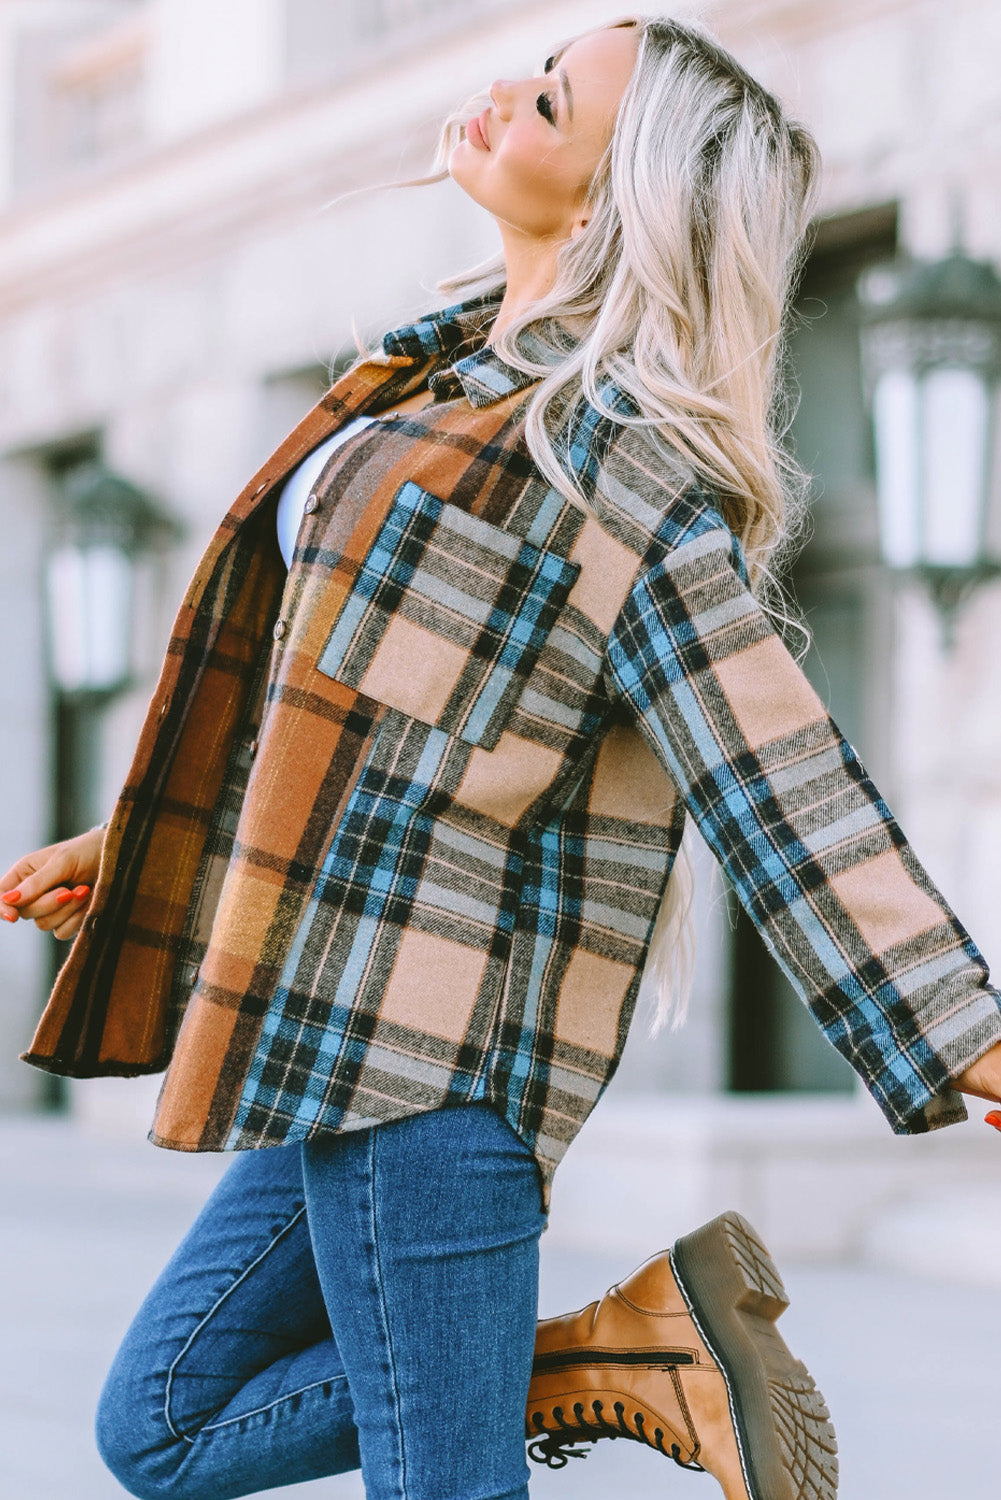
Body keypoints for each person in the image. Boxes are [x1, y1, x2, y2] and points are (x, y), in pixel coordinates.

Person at [3, 13, 1001, 1500]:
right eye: (528, 71)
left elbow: (775, 770)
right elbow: (344, 727)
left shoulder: (617, 461)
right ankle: (629, 1355)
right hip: (328, 1035)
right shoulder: (434, 381)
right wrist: (151, 851)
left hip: (440, 1069)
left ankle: (631, 1356)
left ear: (611, 199)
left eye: (544, 103)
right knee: (158, 1421)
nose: (494, 100)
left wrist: (961, 1031)